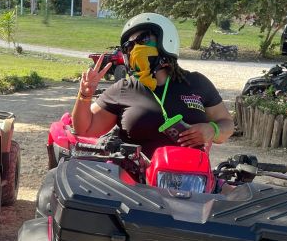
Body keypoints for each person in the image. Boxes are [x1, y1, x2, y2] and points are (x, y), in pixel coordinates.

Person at [72, 12, 233, 156]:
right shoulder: (123, 88)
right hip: (136, 182)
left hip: (192, 179)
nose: (136, 48)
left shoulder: (197, 83)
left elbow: (227, 123)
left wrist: (213, 130)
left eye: (143, 40)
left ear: (166, 41)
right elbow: (85, 129)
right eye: (130, 46)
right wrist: (85, 96)